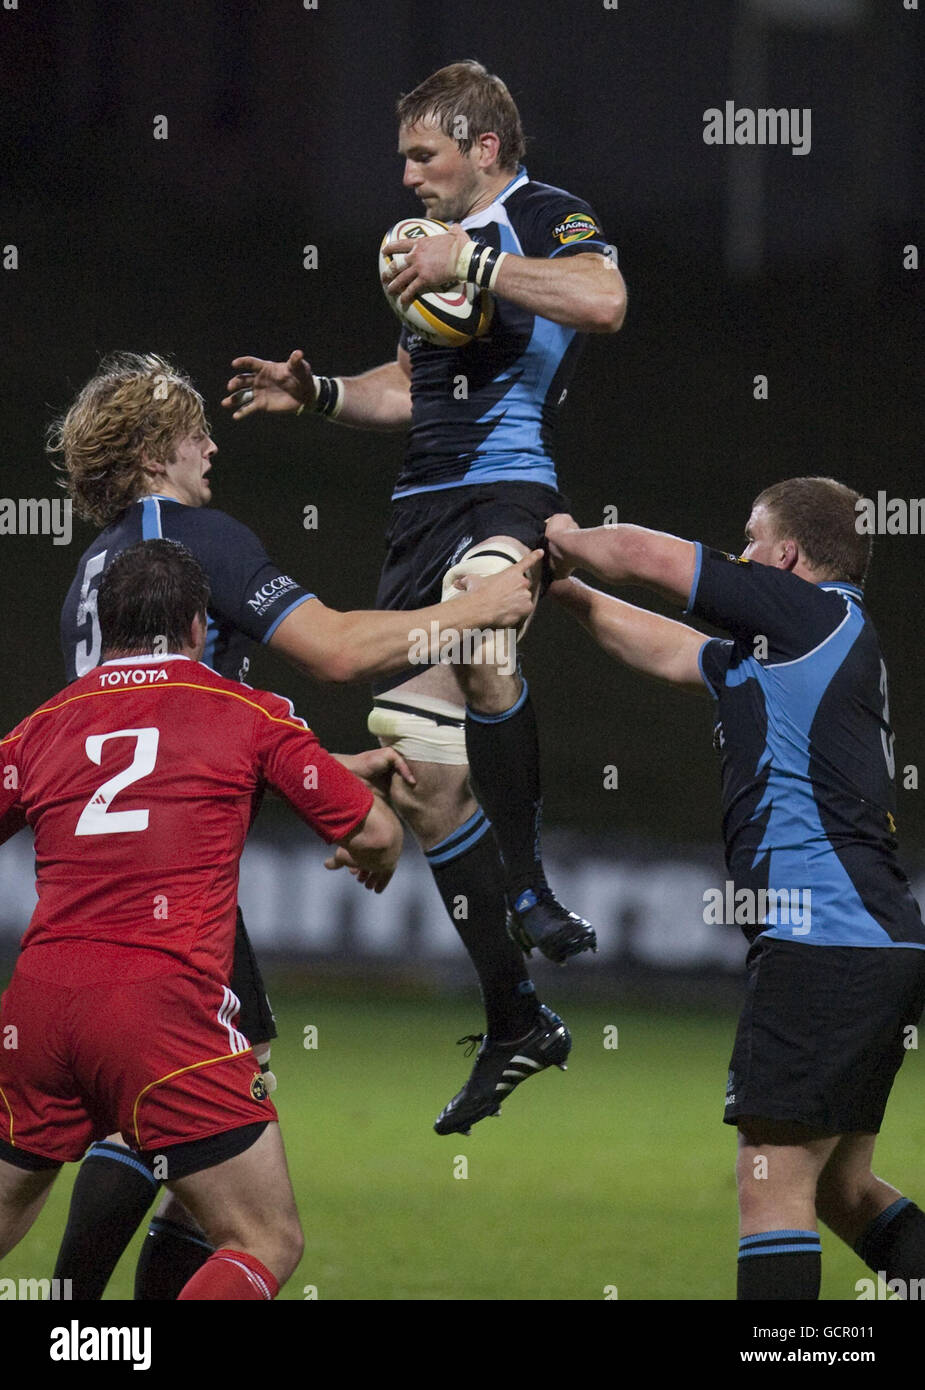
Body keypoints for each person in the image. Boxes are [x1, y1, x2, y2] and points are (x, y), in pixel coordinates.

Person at [49, 349, 536, 1299]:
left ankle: (86, 1322)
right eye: (193, 430)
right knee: (210, 1127)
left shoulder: (96, 568)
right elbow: (337, 649)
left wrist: (316, 770)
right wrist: (475, 608)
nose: (210, 443)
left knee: (174, 1104)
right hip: (172, 884)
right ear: (154, 454)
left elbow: (162, 735)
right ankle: (85, 1326)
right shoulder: (189, 540)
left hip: (103, 873)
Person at [223, 59, 627, 1135]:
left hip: (509, 488)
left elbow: (604, 301)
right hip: (420, 505)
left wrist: (477, 258)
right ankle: (516, 1016)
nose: (407, 177)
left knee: (482, 619)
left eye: (424, 155)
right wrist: (313, 392)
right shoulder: (421, 252)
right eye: (402, 157)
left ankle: (532, 884)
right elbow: (410, 388)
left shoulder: (546, 214)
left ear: (483, 148)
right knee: (417, 764)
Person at [544, 477, 925, 1301]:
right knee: (840, 1191)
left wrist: (559, 535)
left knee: (769, 1185)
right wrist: (566, 591)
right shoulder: (782, 651)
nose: (741, 554)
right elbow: (664, 646)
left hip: (825, 938)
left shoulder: (810, 613)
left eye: (750, 539)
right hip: (867, 940)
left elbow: (647, 555)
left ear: (786, 553)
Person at [0, 540, 404, 1300]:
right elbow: (375, 832)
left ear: (104, 622)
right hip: (163, 1007)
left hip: (36, 1007)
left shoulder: (42, 725)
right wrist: (373, 851)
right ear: (196, 624)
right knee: (263, 1238)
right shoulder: (246, 712)